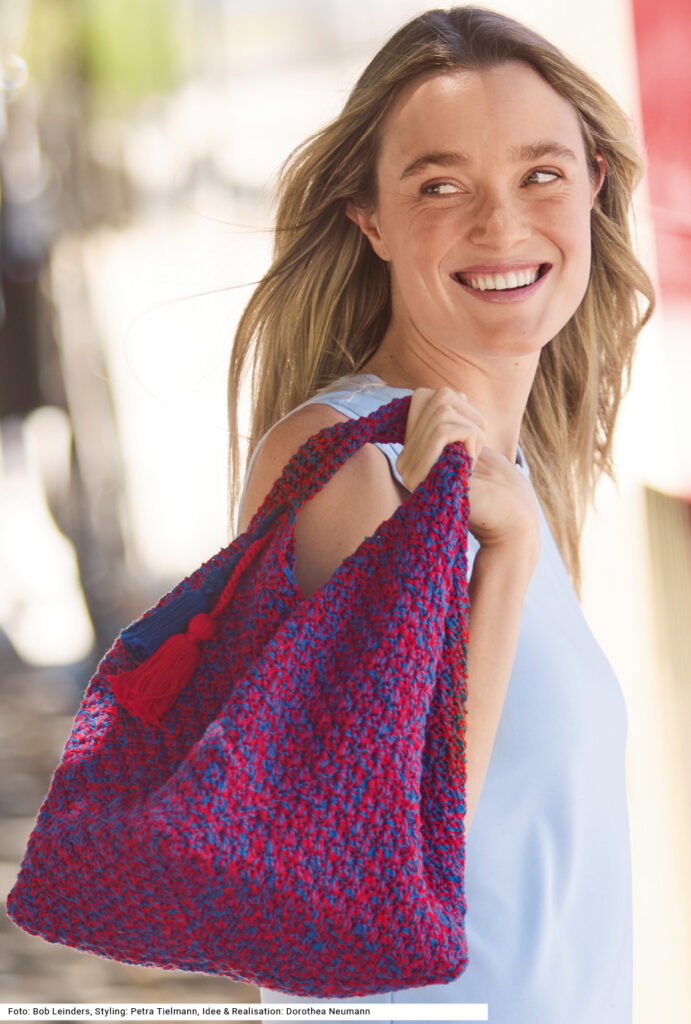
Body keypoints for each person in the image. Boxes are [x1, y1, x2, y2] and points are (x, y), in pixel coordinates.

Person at [229, 6, 654, 1023]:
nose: (501, 225)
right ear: (368, 216)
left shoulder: (515, 477)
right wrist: (498, 564)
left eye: (539, 174)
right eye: (440, 185)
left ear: (593, 182)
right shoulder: (346, 464)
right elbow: (372, 861)